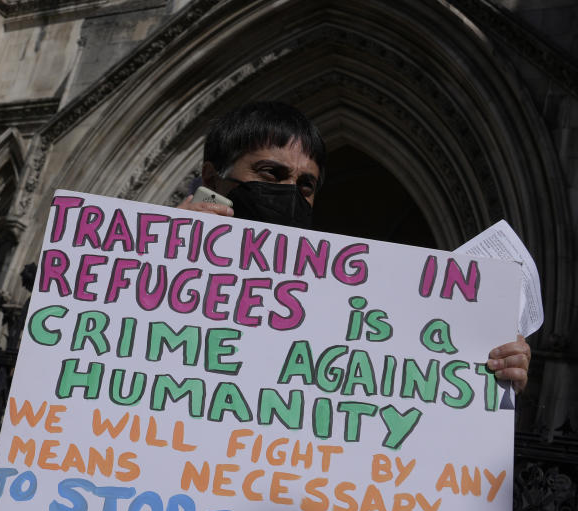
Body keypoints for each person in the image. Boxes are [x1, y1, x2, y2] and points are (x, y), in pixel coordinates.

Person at [178, 101, 531, 391]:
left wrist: (492, 361)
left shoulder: (342, 298)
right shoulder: (141, 261)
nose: (289, 192)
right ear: (211, 179)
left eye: (305, 186)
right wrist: (160, 242)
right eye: (272, 174)